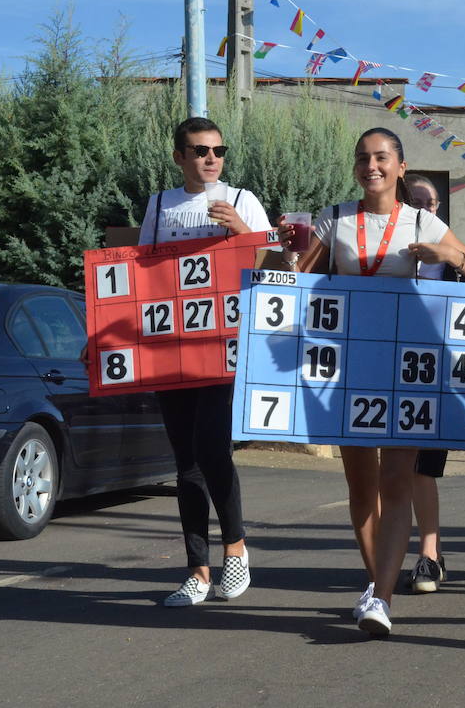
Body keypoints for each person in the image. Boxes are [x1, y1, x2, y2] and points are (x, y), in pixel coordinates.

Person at [280, 128, 465, 635]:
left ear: (399, 166)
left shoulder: (420, 219)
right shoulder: (334, 219)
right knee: (360, 485)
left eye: (381, 158)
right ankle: (378, 585)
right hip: (348, 367)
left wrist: (449, 257)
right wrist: (284, 254)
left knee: (396, 480)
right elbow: (293, 283)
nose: (371, 166)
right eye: (363, 158)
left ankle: (382, 597)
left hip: (404, 366)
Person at [138, 116, 271, 607]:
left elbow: (275, 270)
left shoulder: (242, 200)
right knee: (185, 461)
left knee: (212, 447)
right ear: (179, 157)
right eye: (198, 151)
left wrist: (242, 233)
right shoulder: (158, 205)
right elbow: (140, 277)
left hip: (224, 343)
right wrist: (105, 336)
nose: (210, 158)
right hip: (172, 346)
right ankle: (197, 570)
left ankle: (236, 549)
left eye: (217, 150)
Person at [400, 173, 459, 592]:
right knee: (391, 468)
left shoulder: (451, 253)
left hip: (435, 370)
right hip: (385, 363)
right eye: (418, 201)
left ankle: (429, 554)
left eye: (433, 202)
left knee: (424, 466)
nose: (427, 209)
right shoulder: (383, 248)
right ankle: (383, 562)